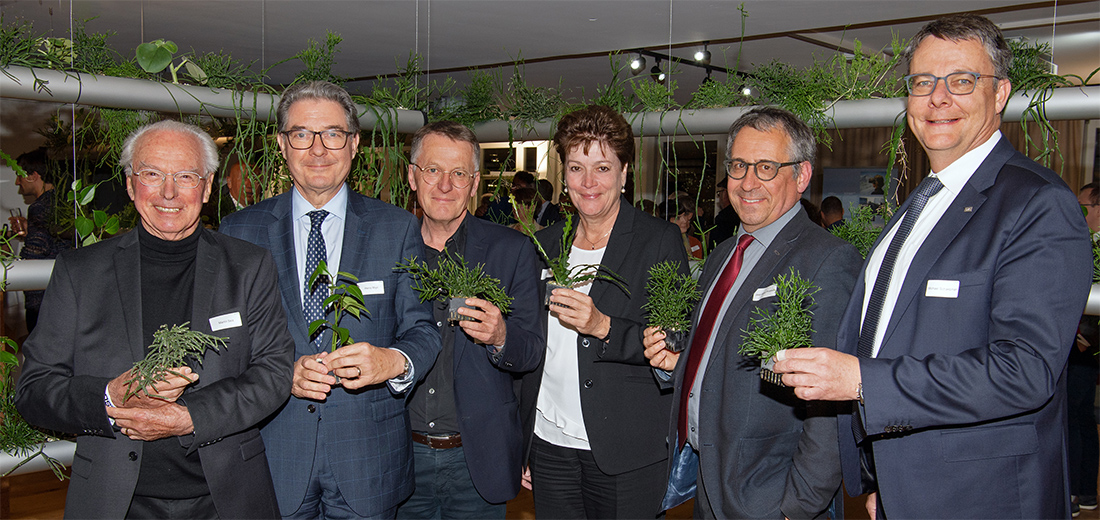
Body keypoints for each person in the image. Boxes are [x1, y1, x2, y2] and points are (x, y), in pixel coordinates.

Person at [773, 14, 1092, 518]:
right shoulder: (921, 202)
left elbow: (1024, 370)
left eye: (962, 81)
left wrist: (862, 382)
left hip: (984, 497)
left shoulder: (1036, 203)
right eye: (923, 82)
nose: (938, 98)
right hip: (912, 486)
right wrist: (889, 476)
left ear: (1001, 93)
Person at [15, 120, 294, 518]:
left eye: (185, 176)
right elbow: (35, 389)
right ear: (130, 184)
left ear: (208, 185)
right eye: (151, 174)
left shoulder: (248, 266)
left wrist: (188, 418)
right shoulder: (80, 272)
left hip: (227, 500)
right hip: (116, 503)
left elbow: (274, 374)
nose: (168, 192)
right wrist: (110, 397)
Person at [219, 80, 441, 519]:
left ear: (354, 144)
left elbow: (423, 329)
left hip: (368, 459)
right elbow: (225, 343)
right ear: (282, 145)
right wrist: (282, 374)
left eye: (333, 134)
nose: (318, 149)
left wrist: (392, 362)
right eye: (302, 134)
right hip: (273, 452)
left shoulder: (396, 228)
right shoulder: (239, 232)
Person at [642, 107, 862, 518]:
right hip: (710, 483)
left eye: (765, 167)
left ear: (801, 176)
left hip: (768, 497)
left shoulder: (828, 261)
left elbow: (831, 407)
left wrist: (796, 507)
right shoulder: (724, 254)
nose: (747, 182)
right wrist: (678, 364)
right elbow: (723, 354)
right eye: (739, 166)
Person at [519, 105, 690, 519]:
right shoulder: (544, 242)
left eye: (602, 167)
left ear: (625, 173)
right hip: (549, 445)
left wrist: (603, 326)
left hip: (626, 450)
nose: (589, 182)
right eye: (576, 168)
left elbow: (678, 341)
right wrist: (523, 441)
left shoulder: (659, 240)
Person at [397, 121, 544, 519]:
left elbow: (532, 351)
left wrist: (500, 336)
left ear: (475, 182)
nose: (445, 184)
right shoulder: (387, 247)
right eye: (433, 170)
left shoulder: (511, 251)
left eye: (458, 173)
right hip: (399, 456)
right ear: (413, 176)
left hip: (476, 459)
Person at [9, 148, 70, 331]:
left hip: (41, 299)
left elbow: (36, 252)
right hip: (61, 296)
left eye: (19, 176)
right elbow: (52, 240)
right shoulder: (62, 202)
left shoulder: (40, 206)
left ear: (33, 175)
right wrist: (32, 232)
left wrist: (16, 260)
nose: (17, 182)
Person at [1070, 181, 1100, 514]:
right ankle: (1085, 491)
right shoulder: (1087, 243)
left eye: (1084, 207)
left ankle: (1078, 493)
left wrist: (1085, 336)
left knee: (1074, 421)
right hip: (1081, 346)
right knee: (1081, 419)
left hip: (1082, 349)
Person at [709, 178, 741, 248]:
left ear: (725, 193)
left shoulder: (724, 217)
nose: (719, 197)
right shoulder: (741, 214)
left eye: (719, 193)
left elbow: (717, 245)